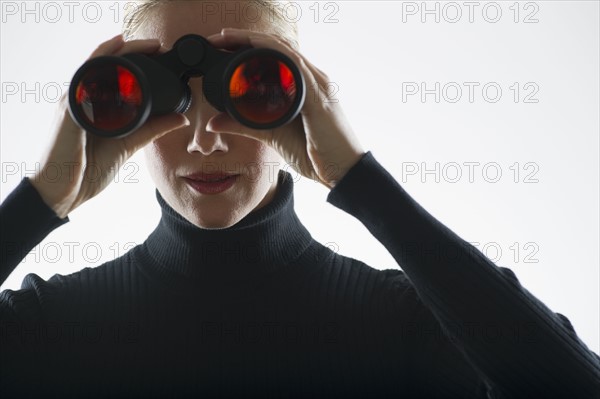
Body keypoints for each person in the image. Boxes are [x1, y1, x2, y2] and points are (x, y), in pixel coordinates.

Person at [1, 1, 599, 397]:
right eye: (162, 98)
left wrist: (359, 179)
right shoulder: (46, 330)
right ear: (112, 108)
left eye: (249, 88)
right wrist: (45, 192)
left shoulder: (402, 326)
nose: (205, 137)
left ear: (305, 99)